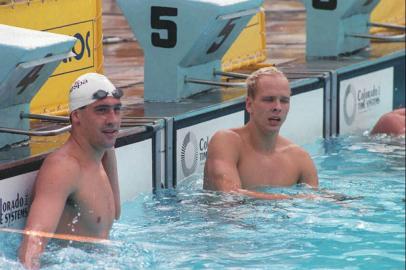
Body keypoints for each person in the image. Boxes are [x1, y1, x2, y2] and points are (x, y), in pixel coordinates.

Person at [19, 73, 122, 269]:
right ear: (76, 116)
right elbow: (33, 242)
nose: (113, 120)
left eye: (117, 110)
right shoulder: (63, 168)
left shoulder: (105, 153)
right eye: (102, 110)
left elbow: (115, 213)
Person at [203, 67, 318, 200]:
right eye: (269, 100)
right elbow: (229, 197)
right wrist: (291, 199)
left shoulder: (300, 159)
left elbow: (314, 205)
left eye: (284, 101)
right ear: (249, 104)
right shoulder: (226, 142)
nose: (277, 107)